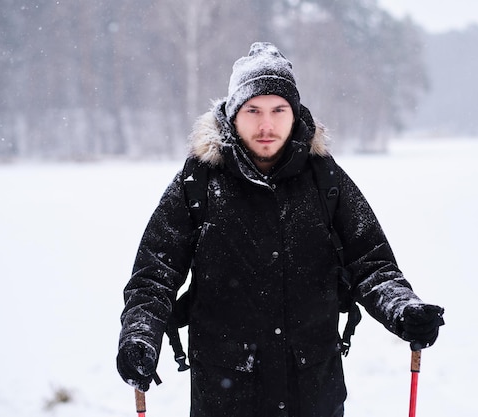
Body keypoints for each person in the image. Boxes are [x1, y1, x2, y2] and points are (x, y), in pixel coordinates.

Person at [117, 42, 444, 417]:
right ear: (232, 114)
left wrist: (402, 307)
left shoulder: (326, 179)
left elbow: (371, 263)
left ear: (295, 114)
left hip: (313, 391)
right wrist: (139, 334)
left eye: (278, 110)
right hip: (226, 396)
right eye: (253, 110)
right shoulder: (198, 183)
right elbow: (154, 276)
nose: (266, 125)